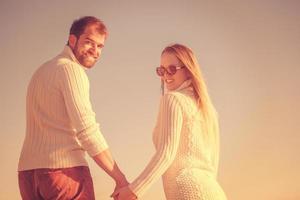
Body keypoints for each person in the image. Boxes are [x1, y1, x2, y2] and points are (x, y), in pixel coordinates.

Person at [18, 16, 128, 200]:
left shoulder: (41, 71)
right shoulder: (71, 70)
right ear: (72, 40)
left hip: (28, 175)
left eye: (100, 46)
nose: (95, 50)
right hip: (64, 174)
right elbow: (87, 131)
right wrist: (120, 178)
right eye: (89, 42)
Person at [112, 44, 227, 200]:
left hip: (188, 192)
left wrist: (133, 190)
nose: (166, 75)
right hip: (214, 192)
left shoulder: (173, 99)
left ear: (187, 69)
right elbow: (214, 163)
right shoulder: (209, 109)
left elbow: (166, 154)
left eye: (172, 69)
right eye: (161, 70)